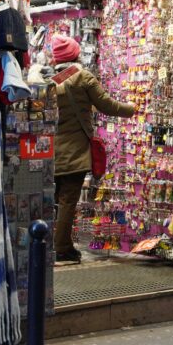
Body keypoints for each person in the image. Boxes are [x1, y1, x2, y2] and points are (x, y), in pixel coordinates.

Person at [50, 34, 135, 263]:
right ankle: (62, 247)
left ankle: (53, 242)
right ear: (75, 55)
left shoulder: (51, 81)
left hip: (51, 151)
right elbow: (107, 105)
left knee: (56, 200)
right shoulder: (82, 78)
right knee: (69, 199)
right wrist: (132, 109)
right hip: (75, 152)